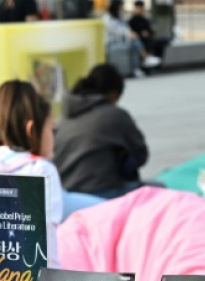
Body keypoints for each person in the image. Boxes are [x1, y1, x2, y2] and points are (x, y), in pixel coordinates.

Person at [0, 80, 97, 265]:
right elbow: (46, 252)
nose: (53, 139)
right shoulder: (41, 170)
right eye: (51, 129)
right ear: (32, 129)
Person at [53, 64, 150, 199]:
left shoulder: (64, 117)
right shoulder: (115, 114)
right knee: (159, 191)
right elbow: (141, 155)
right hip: (101, 192)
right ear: (113, 94)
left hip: (66, 193)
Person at [104, 0, 160, 78]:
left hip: (123, 40)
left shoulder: (119, 18)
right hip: (113, 41)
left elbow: (126, 28)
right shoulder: (108, 19)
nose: (122, 10)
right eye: (120, 8)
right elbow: (116, 31)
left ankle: (137, 68)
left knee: (134, 44)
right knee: (134, 41)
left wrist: (130, 33)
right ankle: (146, 58)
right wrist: (128, 34)